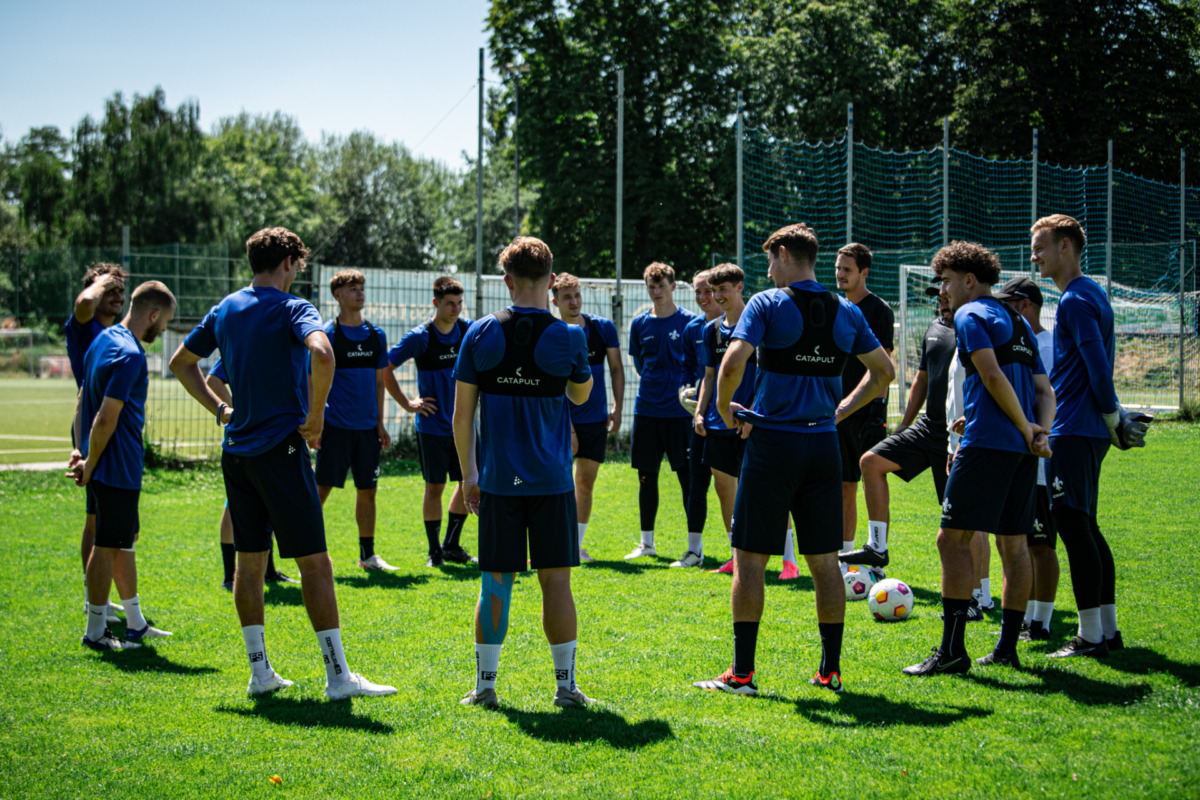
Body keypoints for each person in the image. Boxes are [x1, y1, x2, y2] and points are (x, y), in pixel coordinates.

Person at [170, 226, 395, 699]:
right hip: (282, 450)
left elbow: (181, 363)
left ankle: (260, 673)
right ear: (290, 262)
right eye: (299, 265)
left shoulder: (226, 307)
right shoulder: (295, 307)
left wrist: (221, 412)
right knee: (316, 564)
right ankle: (338, 678)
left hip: (238, 455)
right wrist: (315, 420)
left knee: (249, 566)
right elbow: (323, 351)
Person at [693, 223, 893, 696]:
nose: (767, 269)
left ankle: (742, 674)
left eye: (769, 259)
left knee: (749, 560)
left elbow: (733, 361)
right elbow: (883, 372)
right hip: (822, 445)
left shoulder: (766, 302)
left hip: (773, 446)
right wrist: (841, 410)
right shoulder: (845, 310)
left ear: (784, 253)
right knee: (825, 563)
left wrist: (724, 410)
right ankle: (831, 671)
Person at [453, 236, 594, 708]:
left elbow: (461, 416)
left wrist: (468, 476)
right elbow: (581, 397)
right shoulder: (571, 336)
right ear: (552, 282)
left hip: (497, 481)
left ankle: (486, 687)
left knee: (495, 581)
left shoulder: (478, 333)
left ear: (507, 281)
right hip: (553, 482)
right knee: (557, 582)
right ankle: (565, 687)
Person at [904, 241, 1054, 676]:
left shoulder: (971, 314)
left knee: (950, 540)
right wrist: (1037, 432)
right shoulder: (1018, 321)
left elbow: (989, 374)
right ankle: (1007, 648)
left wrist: (1025, 428)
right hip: (1022, 452)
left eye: (946, 282)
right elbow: (1046, 392)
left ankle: (952, 651)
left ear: (969, 280)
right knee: (1013, 544)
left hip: (988, 446)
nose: (942, 293)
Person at [1032, 214, 1150, 658]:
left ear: (1067, 247)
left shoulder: (1076, 300)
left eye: (1041, 246)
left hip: (1076, 430)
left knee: (1074, 528)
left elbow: (1098, 368)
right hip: (1084, 429)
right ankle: (1107, 631)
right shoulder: (1087, 295)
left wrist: (1112, 418)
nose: (1035, 255)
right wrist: (1111, 420)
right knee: (1086, 527)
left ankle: (1091, 637)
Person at [72, 281, 176, 651]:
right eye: (164, 322)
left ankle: (135, 623)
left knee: (124, 543)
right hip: (115, 467)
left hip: (111, 465)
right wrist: (91, 461)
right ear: (152, 315)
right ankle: (96, 632)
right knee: (108, 545)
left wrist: (78, 449)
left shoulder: (102, 339)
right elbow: (105, 417)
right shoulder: (131, 354)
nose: (163, 329)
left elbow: (84, 400)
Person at [843, 277, 955, 569]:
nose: (941, 301)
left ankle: (980, 595)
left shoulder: (975, 328)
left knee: (957, 516)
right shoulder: (935, 328)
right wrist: (906, 423)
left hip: (958, 433)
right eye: (937, 297)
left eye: (945, 295)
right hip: (927, 427)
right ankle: (877, 547)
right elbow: (922, 378)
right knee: (870, 462)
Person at [386, 276, 476, 566]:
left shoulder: (468, 330)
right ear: (436, 303)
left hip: (464, 426)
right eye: (450, 303)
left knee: (468, 482)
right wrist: (407, 403)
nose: (456, 308)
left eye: (460, 302)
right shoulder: (420, 336)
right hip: (433, 427)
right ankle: (434, 551)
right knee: (434, 487)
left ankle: (451, 544)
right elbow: (385, 368)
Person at [313, 270, 397, 571]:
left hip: (367, 430)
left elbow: (379, 383)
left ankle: (367, 556)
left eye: (361, 288)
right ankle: (307, 554)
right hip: (335, 428)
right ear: (338, 295)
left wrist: (380, 423)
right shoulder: (328, 335)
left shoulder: (376, 335)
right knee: (318, 491)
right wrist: (317, 420)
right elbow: (314, 382)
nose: (360, 293)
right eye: (352, 289)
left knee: (368, 491)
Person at [994, 277, 1060, 640]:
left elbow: (1046, 396)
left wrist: (1041, 435)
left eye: (1008, 303)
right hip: (1016, 454)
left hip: (1040, 457)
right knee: (1013, 541)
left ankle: (1042, 622)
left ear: (1024, 304)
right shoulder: (1019, 342)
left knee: (1040, 541)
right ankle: (1026, 618)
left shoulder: (1047, 345)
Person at [67, 263, 129, 625]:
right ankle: (97, 608)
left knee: (107, 521)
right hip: (95, 428)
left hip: (116, 429)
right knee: (98, 522)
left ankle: (101, 600)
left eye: (122, 291)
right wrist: (100, 281)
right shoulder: (84, 326)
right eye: (111, 290)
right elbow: (83, 303)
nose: (118, 296)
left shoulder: (117, 332)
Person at [624, 263, 699, 560]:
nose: (656, 292)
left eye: (661, 286)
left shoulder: (690, 323)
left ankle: (694, 547)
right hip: (647, 409)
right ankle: (647, 544)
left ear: (673, 286)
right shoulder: (640, 324)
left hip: (680, 413)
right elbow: (640, 364)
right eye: (651, 287)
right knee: (646, 477)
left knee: (687, 479)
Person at [550, 272, 624, 563]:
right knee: (557, 483)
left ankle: (575, 547)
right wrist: (568, 427)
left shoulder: (602, 327)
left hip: (595, 419)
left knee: (584, 483)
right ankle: (554, 541)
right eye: (567, 297)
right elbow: (554, 386)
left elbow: (617, 368)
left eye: (577, 295)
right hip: (559, 422)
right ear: (555, 301)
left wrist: (617, 407)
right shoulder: (551, 333)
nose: (574, 301)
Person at [208, 358, 297, 590]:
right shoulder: (238, 337)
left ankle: (268, 571)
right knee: (233, 506)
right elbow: (213, 380)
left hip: (273, 438)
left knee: (268, 504)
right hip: (245, 440)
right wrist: (238, 413)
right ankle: (230, 576)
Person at [835, 243, 895, 566]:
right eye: (838, 267)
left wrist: (875, 411)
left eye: (847, 269)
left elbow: (883, 368)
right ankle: (846, 557)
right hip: (837, 411)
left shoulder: (879, 310)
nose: (840, 274)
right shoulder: (837, 308)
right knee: (843, 485)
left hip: (866, 411)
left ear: (864, 273)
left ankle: (876, 548)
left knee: (871, 482)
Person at [672, 270, 721, 567]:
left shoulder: (741, 323)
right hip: (701, 419)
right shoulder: (693, 329)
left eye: (708, 291)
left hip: (730, 417)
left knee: (737, 485)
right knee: (696, 483)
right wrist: (684, 391)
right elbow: (687, 368)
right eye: (697, 293)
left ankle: (741, 551)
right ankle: (694, 551)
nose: (703, 298)